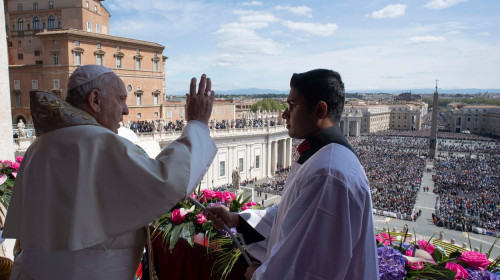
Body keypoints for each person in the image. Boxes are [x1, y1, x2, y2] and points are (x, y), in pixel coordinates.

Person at [3, 65, 218, 279]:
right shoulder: (96, 142)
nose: (126, 110)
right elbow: (167, 181)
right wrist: (197, 124)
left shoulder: (39, 145)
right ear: (95, 100)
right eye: (121, 99)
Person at [207, 69, 379, 279]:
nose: (284, 114)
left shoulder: (328, 174)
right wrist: (237, 220)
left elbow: (306, 266)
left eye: (292, 106)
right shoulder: (322, 159)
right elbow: (287, 218)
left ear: (319, 110)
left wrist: (258, 275)